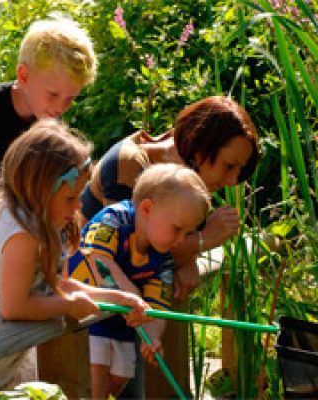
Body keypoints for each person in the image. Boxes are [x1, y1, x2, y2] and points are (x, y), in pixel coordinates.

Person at [0, 119, 150, 390]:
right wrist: (68, 305)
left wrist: (117, 297)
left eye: (79, 196)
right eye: (69, 198)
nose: (78, 206)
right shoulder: (21, 232)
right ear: (38, 190)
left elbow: (56, 287)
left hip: (9, 357)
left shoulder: (46, 225)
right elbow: (14, 306)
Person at [80, 96, 259, 299]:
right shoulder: (129, 164)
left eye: (239, 170)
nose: (232, 180)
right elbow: (130, 262)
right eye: (228, 166)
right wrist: (203, 240)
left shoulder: (189, 181)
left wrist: (189, 258)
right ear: (200, 149)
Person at [0, 17, 97, 277]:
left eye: (70, 99)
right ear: (23, 76)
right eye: (53, 95)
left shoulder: (46, 118)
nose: (60, 108)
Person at [68, 163, 211, 399]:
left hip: (121, 324)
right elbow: (97, 258)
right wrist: (131, 295)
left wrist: (152, 338)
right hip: (86, 316)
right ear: (146, 208)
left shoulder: (162, 260)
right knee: (95, 380)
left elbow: (156, 308)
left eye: (188, 233)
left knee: (121, 377)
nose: (180, 240)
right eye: (177, 229)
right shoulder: (114, 219)